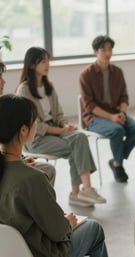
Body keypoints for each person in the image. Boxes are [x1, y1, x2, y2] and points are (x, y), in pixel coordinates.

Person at [0, 94, 108, 257]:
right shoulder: (33, 178)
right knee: (94, 229)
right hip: (41, 252)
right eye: (35, 121)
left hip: (9, 251)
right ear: (23, 130)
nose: (37, 125)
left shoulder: (15, 172)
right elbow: (58, 232)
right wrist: (68, 223)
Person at [16, 47, 106, 207]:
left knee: (79, 136)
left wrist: (65, 125)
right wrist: (60, 130)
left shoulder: (48, 87)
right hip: (36, 138)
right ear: (31, 65)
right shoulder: (23, 91)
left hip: (55, 131)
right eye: (42, 61)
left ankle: (83, 191)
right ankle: (79, 192)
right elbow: (33, 125)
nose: (47, 64)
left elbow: (59, 113)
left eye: (47, 60)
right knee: (75, 147)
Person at [79, 35, 135, 183]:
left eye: (110, 50)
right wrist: (112, 118)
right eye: (103, 50)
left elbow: (124, 97)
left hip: (116, 113)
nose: (108, 53)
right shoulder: (86, 75)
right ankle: (118, 165)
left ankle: (115, 160)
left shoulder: (117, 72)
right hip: (94, 118)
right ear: (95, 51)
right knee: (117, 130)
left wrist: (121, 113)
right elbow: (89, 105)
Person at [0, 61, 56, 186]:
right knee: (45, 173)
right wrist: (16, 164)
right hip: (6, 170)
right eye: (0, 77)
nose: (3, 82)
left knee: (47, 170)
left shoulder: (3, 103)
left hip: (9, 163)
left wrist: (20, 161)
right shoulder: (21, 92)